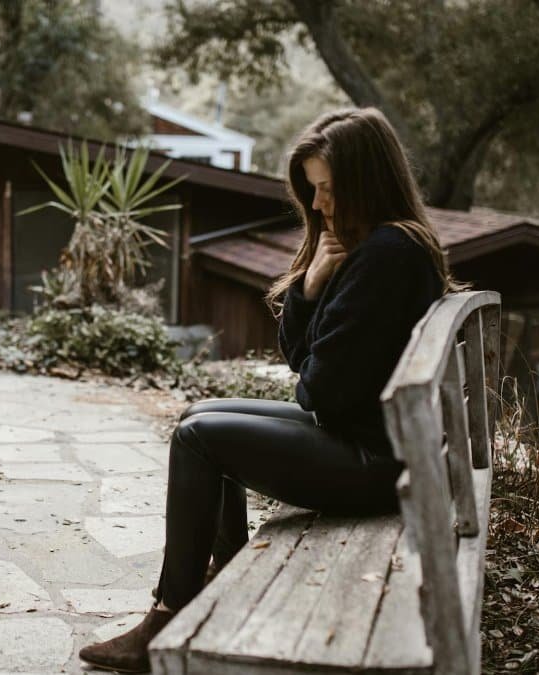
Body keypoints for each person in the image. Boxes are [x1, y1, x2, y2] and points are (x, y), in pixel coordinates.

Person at [77, 107, 464, 673]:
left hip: (377, 463)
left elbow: (319, 393)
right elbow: (305, 368)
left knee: (198, 439)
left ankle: (169, 612)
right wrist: (309, 289)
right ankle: (222, 572)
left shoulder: (386, 256)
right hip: (380, 442)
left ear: (367, 180)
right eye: (313, 191)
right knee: (198, 414)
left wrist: (315, 360)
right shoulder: (384, 245)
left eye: (329, 189)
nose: (320, 205)